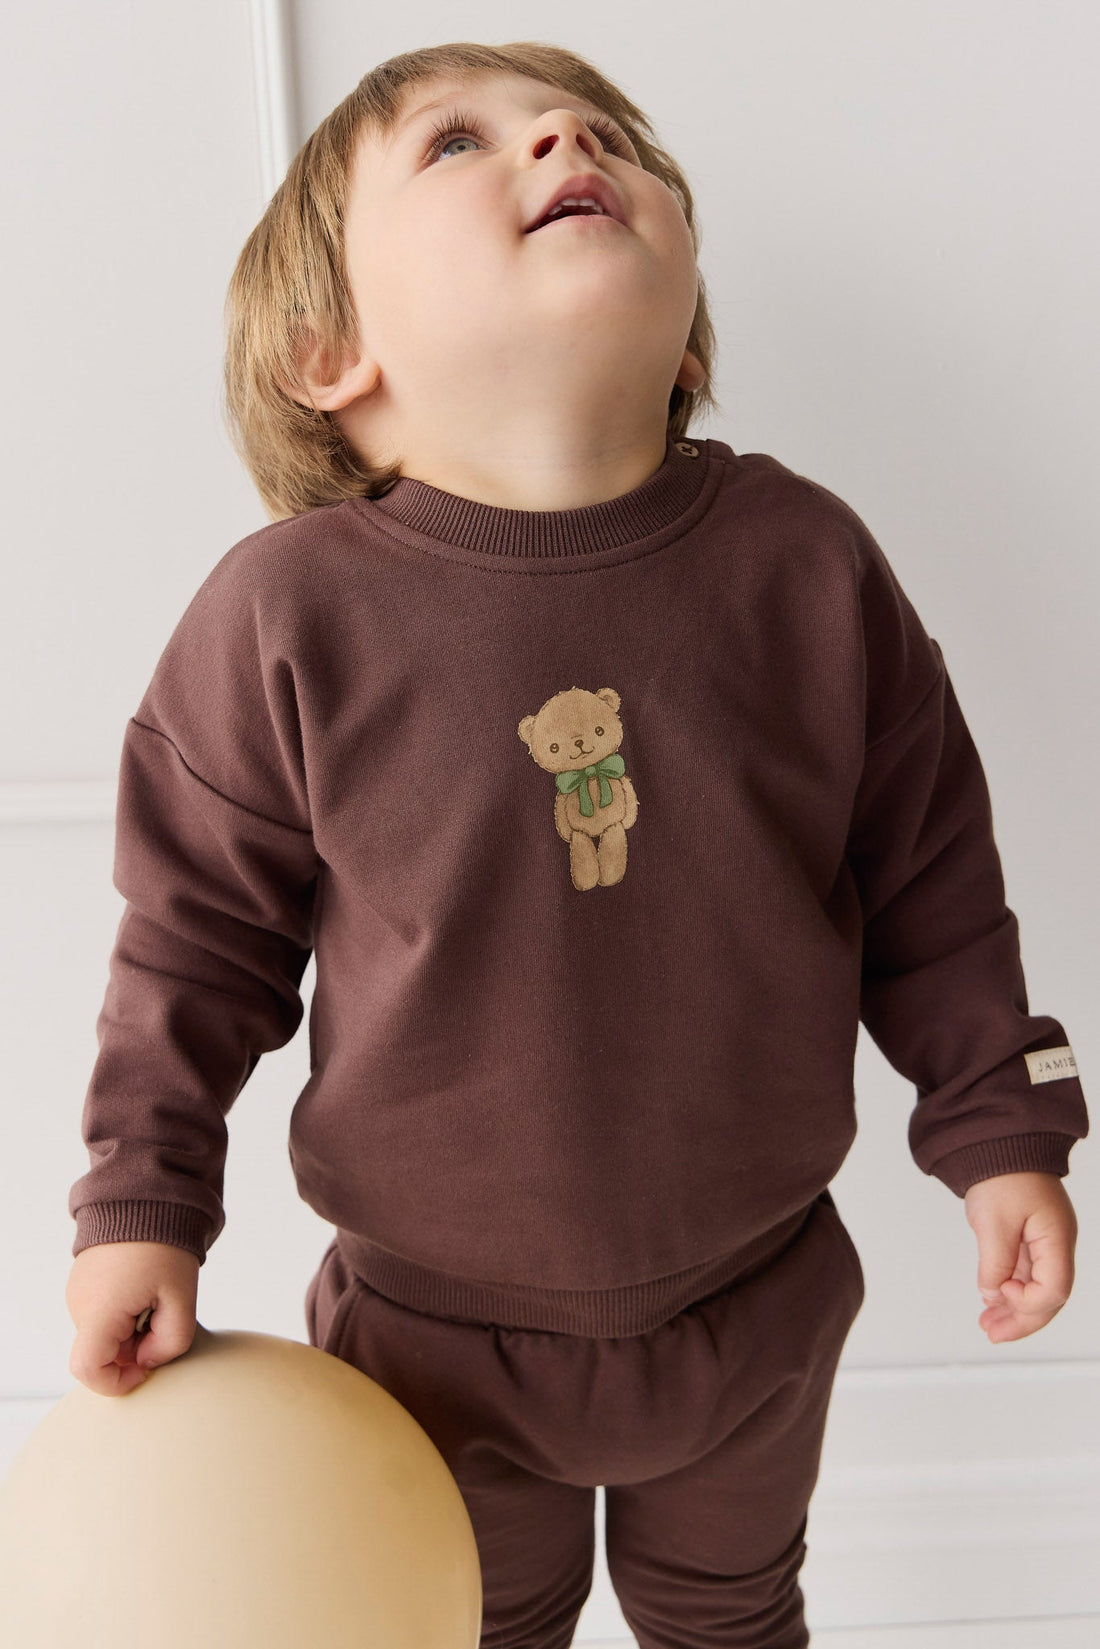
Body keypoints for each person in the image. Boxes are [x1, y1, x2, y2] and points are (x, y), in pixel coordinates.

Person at [64, 38, 1088, 1649]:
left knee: (734, 1616)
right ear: (330, 351)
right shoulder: (289, 617)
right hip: (426, 1330)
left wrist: (1001, 1121)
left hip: (759, 1298)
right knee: (470, 1626)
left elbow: (932, 880)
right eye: (457, 142)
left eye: (606, 131)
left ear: (687, 338)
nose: (562, 134)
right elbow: (193, 947)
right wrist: (142, 1200)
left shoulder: (807, 566)